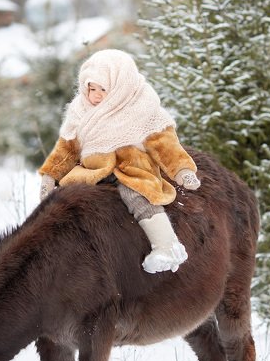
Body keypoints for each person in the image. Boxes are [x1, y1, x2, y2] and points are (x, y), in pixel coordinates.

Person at [38, 49, 201, 273]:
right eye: (90, 88)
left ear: (119, 86)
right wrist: (50, 176)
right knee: (66, 198)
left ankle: (167, 246)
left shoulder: (141, 108)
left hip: (132, 171)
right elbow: (66, 149)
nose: (94, 95)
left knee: (137, 196)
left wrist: (182, 170)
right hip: (92, 171)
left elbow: (165, 146)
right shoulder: (80, 110)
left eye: (102, 89)